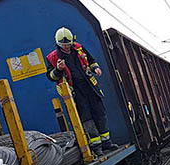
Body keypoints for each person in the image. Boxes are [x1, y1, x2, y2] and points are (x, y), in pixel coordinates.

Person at [46, 27, 117, 156]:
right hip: (76, 93)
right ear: (58, 44)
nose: (67, 48)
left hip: (90, 87)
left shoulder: (79, 48)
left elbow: (91, 61)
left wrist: (96, 69)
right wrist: (58, 69)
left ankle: (107, 142)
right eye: (64, 46)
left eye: (69, 45)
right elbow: (51, 76)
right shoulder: (53, 58)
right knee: (87, 119)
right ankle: (97, 147)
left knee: (100, 114)